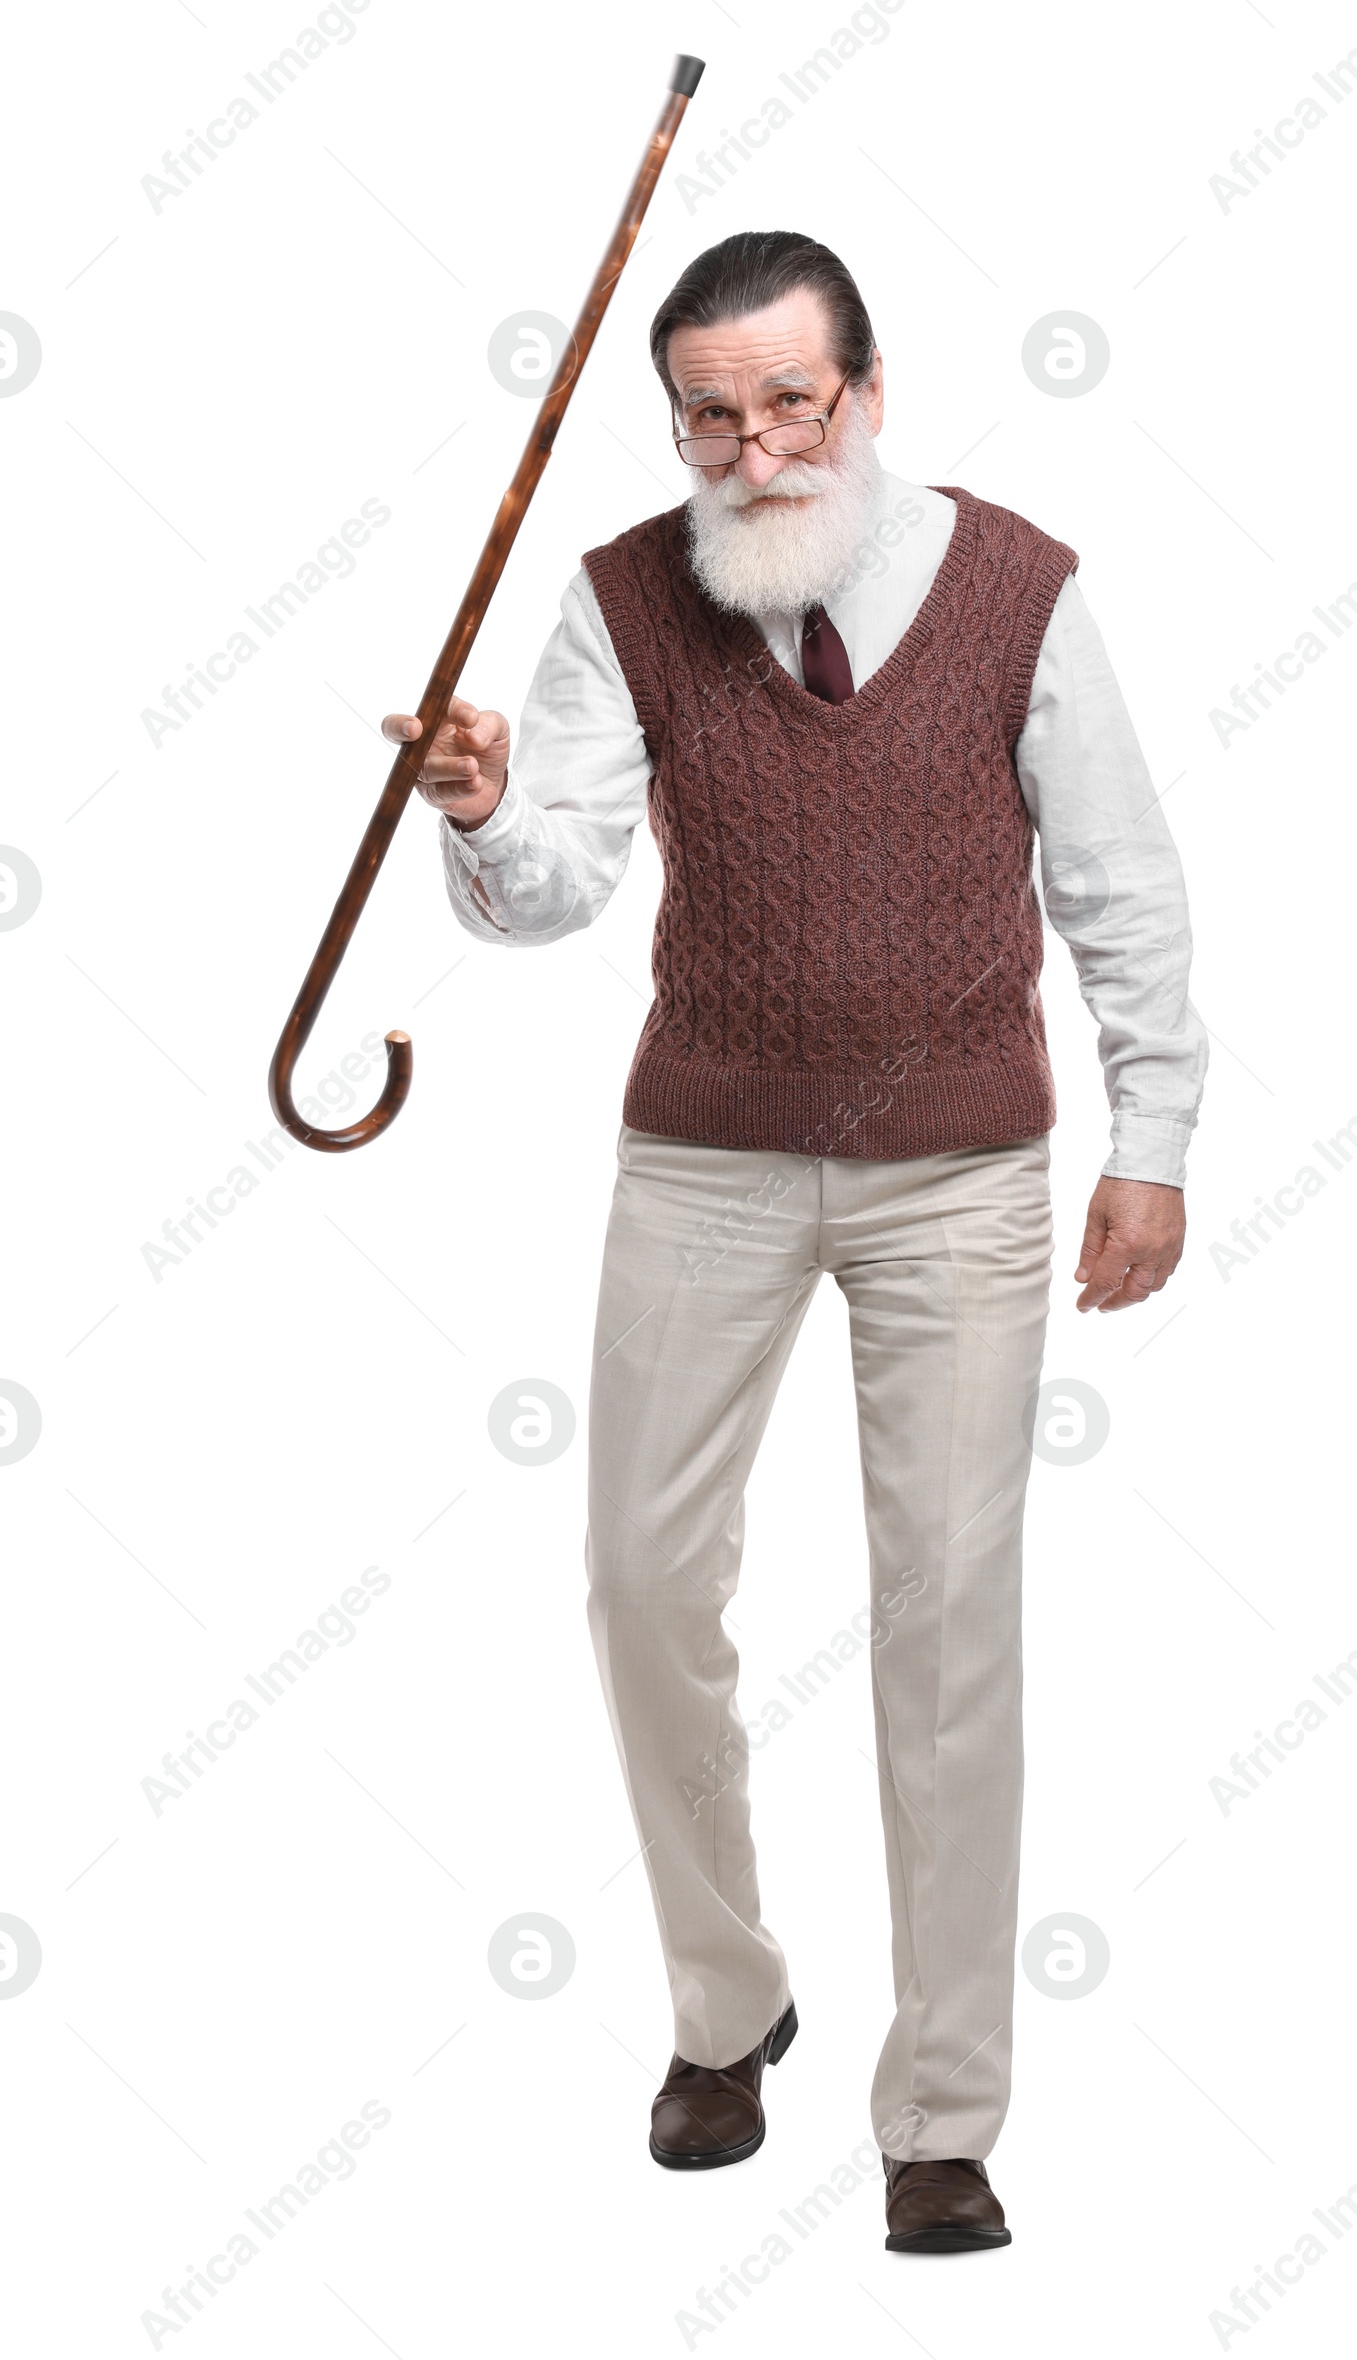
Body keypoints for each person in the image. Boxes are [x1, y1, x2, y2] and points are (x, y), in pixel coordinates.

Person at [384, 230, 1207, 2255]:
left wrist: (1151, 1132)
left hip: (959, 1176)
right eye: (704, 412)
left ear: (861, 389)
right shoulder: (617, 597)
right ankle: (724, 2004)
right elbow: (550, 890)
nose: (746, 448)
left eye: (784, 401)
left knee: (946, 1622)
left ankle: (939, 2108)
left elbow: (1117, 873)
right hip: (704, 1160)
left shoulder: (1018, 584)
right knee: (640, 1580)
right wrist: (481, 807)